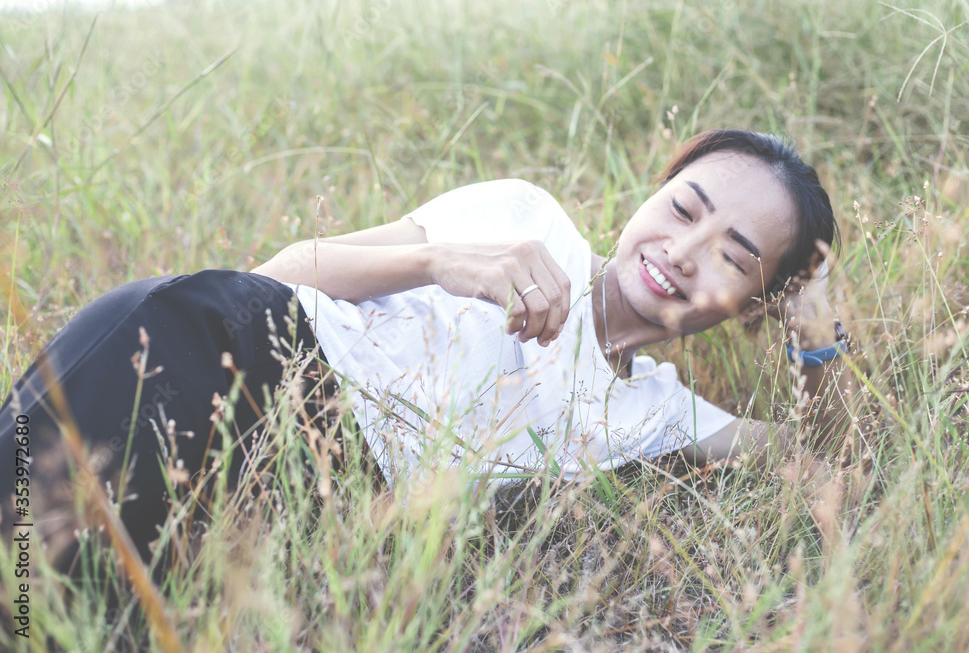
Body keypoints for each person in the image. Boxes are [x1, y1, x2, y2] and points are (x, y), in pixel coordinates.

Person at [0, 129, 851, 580]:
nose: (683, 248)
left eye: (735, 255)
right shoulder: (527, 215)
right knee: (22, 572)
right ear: (650, 196)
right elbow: (274, 276)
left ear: (755, 300)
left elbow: (815, 456)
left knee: (76, 610)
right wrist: (442, 261)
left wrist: (816, 318)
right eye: (682, 206)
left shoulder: (652, 410)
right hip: (227, 350)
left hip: (300, 492)